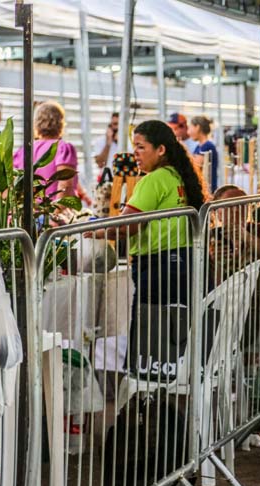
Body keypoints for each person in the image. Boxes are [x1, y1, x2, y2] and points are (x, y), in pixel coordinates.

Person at [84, 120, 207, 354]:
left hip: (158, 268)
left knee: (152, 339)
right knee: (175, 335)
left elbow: (126, 226)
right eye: (134, 147)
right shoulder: (178, 176)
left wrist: (92, 230)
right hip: (183, 263)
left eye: (141, 147)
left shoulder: (154, 179)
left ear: (161, 150)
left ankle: (150, 384)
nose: (135, 154)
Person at [13, 100, 92, 205]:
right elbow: (65, 185)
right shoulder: (63, 148)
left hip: (29, 214)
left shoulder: (24, 150)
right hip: (51, 215)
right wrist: (56, 216)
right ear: (61, 122)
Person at [189, 115, 220, 192]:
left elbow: (195, 165)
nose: (188, 132)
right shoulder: (199, 146)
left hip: (207, 188)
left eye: (190, 127)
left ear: (197, 127)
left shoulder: (208, 146)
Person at [93, 112, 120, 176]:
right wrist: (108, 144)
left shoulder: (129, 141)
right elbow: (100, 163)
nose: (118, 127)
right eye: (115, 124)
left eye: (120, 124)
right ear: (110, 125)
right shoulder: (100, 141)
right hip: (107, 178)